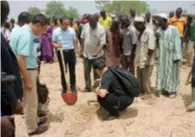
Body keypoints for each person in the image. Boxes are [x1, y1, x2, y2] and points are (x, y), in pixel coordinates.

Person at [10, 14, 48, 135]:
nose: (43, 33)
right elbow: (20, 59)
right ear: (37, 25)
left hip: (28, 68)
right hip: (27, 70)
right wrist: (27, 80)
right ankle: (32, 128)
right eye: (43, 29)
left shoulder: (22, 30)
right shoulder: (26, 35)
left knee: (32, 99)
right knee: (30, 101)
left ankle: (34, 120)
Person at [1, 1, 23, 136]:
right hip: (3, 99)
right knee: (7, 130)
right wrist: (13, 100)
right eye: (5, 15)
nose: (6, 19)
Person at [155, 13, 182, 98]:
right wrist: (156, 38)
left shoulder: (174, 29)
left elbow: (177, 42)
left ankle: (172, 90)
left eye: (160, 21)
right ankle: (163, 88)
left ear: (165, 21)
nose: (158, 23)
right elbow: (158, 45)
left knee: (172, 73)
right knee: (162, 72)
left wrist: (177, 56)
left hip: (171, 56)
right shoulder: (158, 31)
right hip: (162, 57)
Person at [80, 14, 106, 92]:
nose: (92, 25)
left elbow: (102, 43)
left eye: (93, 23)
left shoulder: (101, 29)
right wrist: (81, 50)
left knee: (97, 72)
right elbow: (82, 38)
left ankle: (96, 87)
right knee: (86, 70)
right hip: (86, 54)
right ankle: (88, 87)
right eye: (90, 23)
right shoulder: (86, 26)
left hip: (97, 55)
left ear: (97, 21)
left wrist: (97, 52)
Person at [52, 17, 78, 92]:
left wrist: (76, 52)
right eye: (65, 24)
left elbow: (75, 41)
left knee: (72, 70)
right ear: (60, 23)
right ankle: (64, 87)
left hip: (71, 52)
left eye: (68, 24)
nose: (67, 26)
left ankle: (73, 86)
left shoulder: (72, 30)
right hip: (61, 52)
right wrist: (57, 45)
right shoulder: (56, 31)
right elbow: (53, 42)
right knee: (63, 71)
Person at [134, 17, 155, 95]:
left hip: (146, 60)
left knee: (146, 78)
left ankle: (147, 92)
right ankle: (141, 91)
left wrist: (147, 60)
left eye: (136, 25)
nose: (135, 27)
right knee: (139, 76)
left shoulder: (149, 32)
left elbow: (151, 48)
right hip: (140, 58)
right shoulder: (140, 32)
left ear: (141, 24)